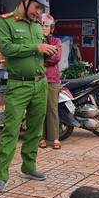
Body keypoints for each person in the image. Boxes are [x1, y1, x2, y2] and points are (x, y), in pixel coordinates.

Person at [0, 0, 58, 193]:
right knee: (11, 129)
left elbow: (38, 54)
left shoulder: (38, 26)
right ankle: (1, 175)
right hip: (19, 85)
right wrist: (35, 47)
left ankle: (29, 166)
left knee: (36, 129)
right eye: (37, 7)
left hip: (41, 83)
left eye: (41, 9)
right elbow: (7, 48)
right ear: (25, 1)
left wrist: (48, 52)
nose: (39, 13)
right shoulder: (6, 22)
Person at [38, 13, 63, 150]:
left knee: (52, 108)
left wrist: (42, 58)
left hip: (53, 80)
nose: (44, 28)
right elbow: (36, 56)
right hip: (39, 78)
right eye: (42, 25)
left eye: (46, 26)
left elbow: (56, 58)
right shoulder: (36, 41)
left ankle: (55, 137)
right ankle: (41, 137)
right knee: (40, 108)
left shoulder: (56, 42)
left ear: (51, 28)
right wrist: (46, 56)